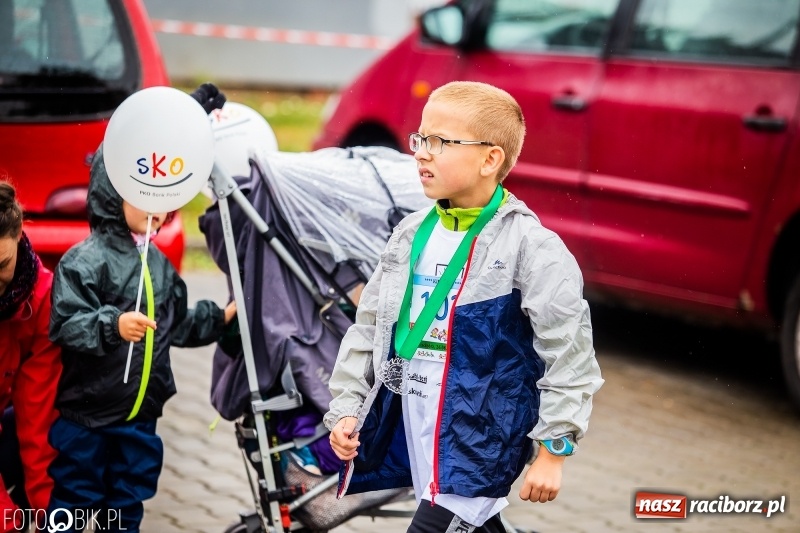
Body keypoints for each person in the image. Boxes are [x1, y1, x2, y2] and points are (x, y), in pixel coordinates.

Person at [325, 81, 603, 533]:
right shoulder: (410, 234)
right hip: (420, 433)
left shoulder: (532, 248)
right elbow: (369, 328)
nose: (420, 152)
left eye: (438, 142)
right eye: (419, 138)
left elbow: (570, 356)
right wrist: (348, 406)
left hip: (479, 445)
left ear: (490, 159)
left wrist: (554, 450)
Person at [46, 148, 236, 533]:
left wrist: (220, 316)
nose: (156, 207)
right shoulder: (84, 261)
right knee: (74, 499)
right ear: (111, 192)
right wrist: (113, 324)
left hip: (140, 419)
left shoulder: (159, 264)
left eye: (162, 197)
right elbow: (66, 322)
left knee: (127, 503)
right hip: (88, 417)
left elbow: (176, 324)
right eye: (142, 194)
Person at [0, 181, 61, 532]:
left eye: (2, 264)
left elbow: (37, 419)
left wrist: (48, 519)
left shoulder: (42, 297)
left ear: (20, 230)